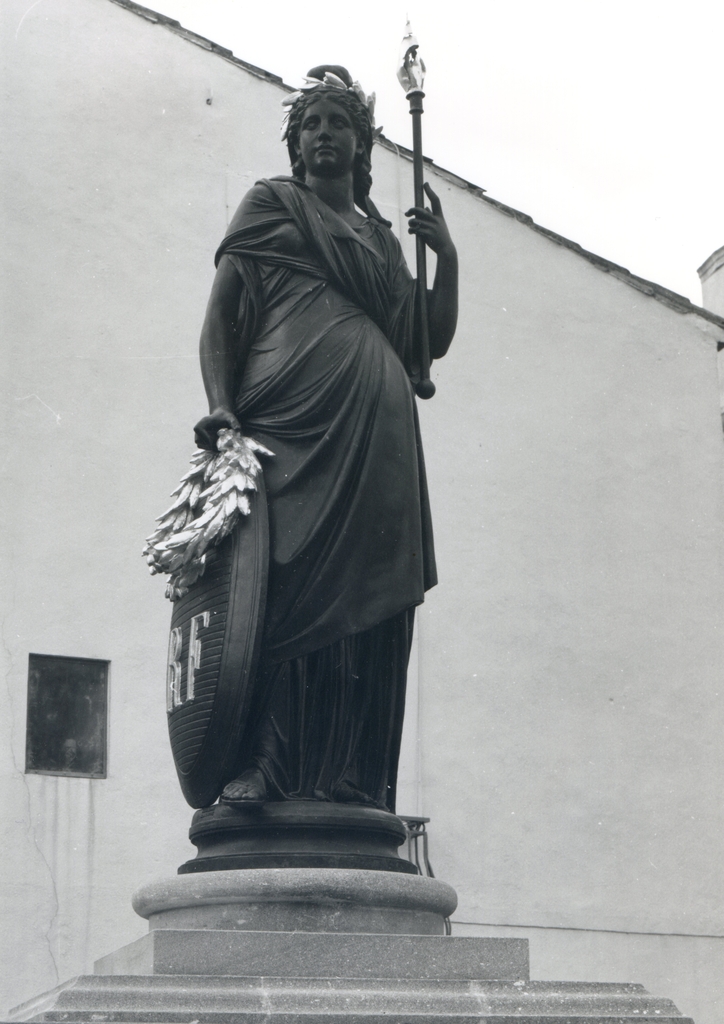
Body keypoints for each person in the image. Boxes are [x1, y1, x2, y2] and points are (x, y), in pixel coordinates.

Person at [193, 65, 458, 812]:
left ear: (362, 144)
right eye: (311, 124)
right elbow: (222, 318)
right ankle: (266, 768)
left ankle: (349, 778)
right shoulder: (270, 206)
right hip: (287, 428)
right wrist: (220, 404)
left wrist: (449, 259)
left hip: (379, 447)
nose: (323, 136)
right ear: (294, 141)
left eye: (338, 123)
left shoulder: (379, 238)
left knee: (366, 611)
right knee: (277, 595)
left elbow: (424, 342)